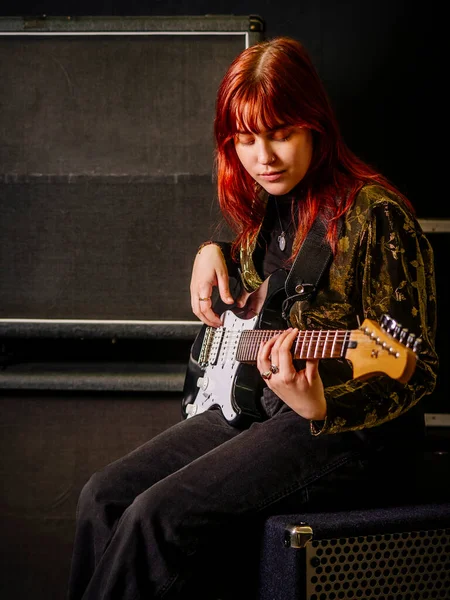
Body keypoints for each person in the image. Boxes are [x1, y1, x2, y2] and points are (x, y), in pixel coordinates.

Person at [67, 36, 438, 600]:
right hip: (255, 406)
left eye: (281, 134)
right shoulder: (273, 206)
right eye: (245, 140)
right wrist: (210, 249)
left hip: (340, 437)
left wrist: (324, 403)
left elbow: (421, 367)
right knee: (102, 496)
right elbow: (254, 287)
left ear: (314, 124)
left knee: (156, 518)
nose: (263, 157)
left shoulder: (376, 217)